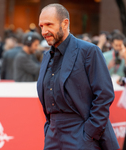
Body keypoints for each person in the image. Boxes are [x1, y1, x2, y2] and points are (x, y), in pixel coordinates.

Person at [37, 3, 119, 150]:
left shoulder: (89, 51)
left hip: (81, 133)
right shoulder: (46, 56)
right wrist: (49, 128)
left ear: (65, 23)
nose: (44, 31)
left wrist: (90, 133)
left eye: (49, 24)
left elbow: (104, 95)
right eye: (41, 26)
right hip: (53, 136)